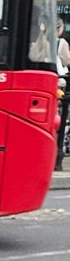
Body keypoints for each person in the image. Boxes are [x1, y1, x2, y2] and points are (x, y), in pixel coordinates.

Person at [57, 18, 69, 167]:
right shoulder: (62, 43)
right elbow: (67, 60)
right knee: (63, 114)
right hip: (59, 83)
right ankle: (60, 148)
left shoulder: (39, 41)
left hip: (48, 81)